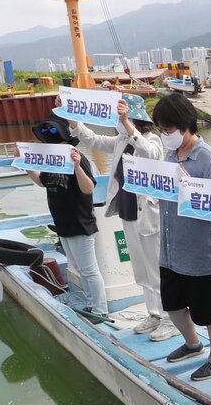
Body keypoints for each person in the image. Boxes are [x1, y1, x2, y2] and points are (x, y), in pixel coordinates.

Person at [71, 97, 174, 339]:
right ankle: (154, 314)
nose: (117, 124)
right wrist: (74, 122)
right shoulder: (119, 141)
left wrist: (128, 125)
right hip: (128, 211)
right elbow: (93, 140)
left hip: (149, 214)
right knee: (140, 269)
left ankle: (170, 318)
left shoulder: (151, 139)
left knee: (157, 269)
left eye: (123, 119)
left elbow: (150, 155)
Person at [151, 91, 211, 381]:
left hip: (199, 252)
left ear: (185, 124)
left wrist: (192, 187)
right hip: (171, 247)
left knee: (209, 309)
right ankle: (193, 343)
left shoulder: (207, 158)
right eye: (160, 130)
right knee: (171, 303)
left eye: (167, 129)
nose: (164, 135)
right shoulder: (170, 154)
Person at [27, 113, 107, 318]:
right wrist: (26, 165)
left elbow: (88, 188)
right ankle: (91, 304)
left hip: (80, 222)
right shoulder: (50, 162)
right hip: (62, 222)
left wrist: (77, 166)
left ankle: (101, 310)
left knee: (89, 269)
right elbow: (43, 182)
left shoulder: (79, 160)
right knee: (79, 267)